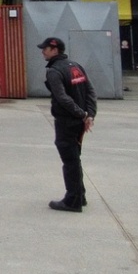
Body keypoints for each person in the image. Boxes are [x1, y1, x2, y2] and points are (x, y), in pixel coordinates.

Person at [38, 36, 97, 212]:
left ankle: (72, 200)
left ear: (54, 50)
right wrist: (89, 115)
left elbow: (62, 98)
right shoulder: (75, 66)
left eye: (45, 49)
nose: (42, 51)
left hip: (66, 121)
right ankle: (80, 194)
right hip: (78, 121)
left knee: (69, 160)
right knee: (75, 158)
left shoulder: (54, 71)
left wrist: (83, 114)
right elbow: (90, 91)